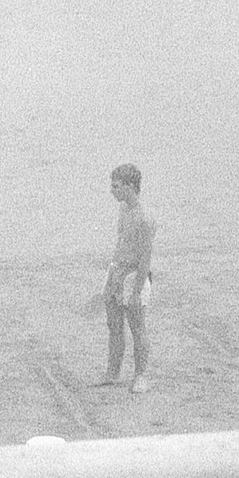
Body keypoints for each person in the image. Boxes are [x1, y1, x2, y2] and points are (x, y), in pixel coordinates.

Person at [98, 164, 154, 390]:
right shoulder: (123, 209)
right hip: (117, 270)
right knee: (114, 325)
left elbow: (145, 259)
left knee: (137, 327)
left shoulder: (145, 218)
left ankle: (141, 376)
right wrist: (112, 277)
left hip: (133, 275)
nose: (112, 191)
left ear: (130, 186)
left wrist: (136, 291)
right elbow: (120, 243)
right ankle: (112, 373)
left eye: (117, 187)